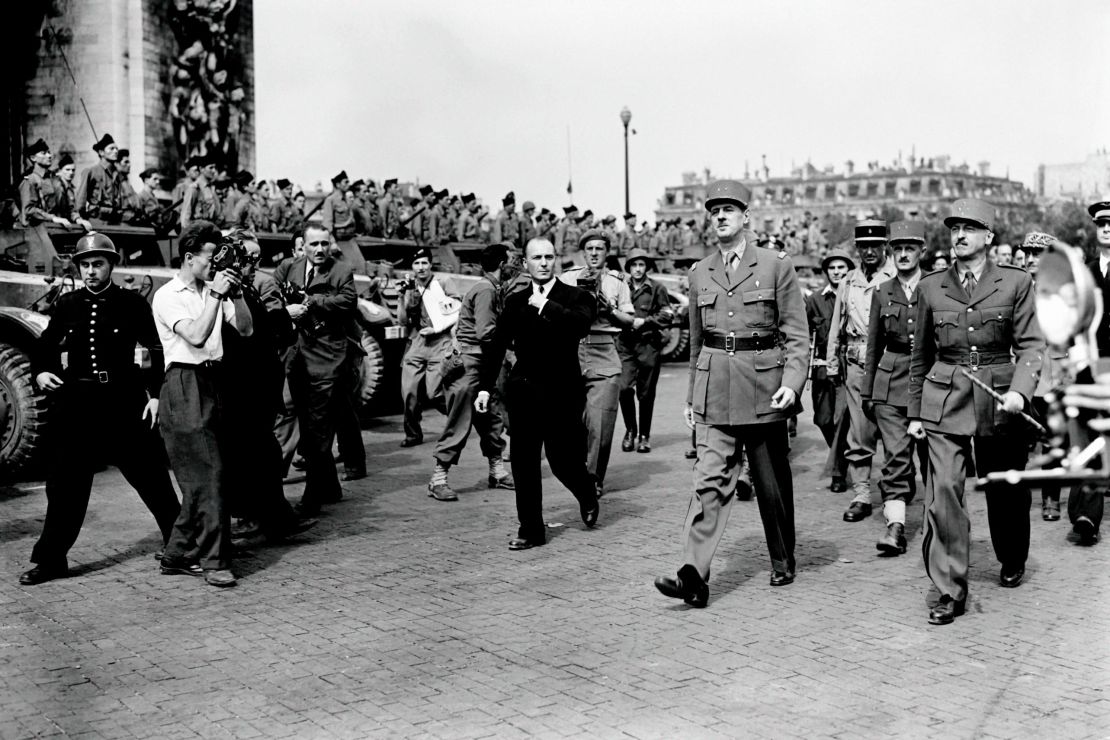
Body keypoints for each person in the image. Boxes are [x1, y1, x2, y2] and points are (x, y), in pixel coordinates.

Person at [654, 179, 809, 608]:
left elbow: (797, 336)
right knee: (708, 482)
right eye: (714, 211)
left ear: (745, 217)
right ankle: (693, 575)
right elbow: (698, 338)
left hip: (763, 387)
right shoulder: (699, 272)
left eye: (728, 210)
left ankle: (782, 557)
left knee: (771, 483)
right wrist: (691, 396)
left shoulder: (776, 265)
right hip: (714, 390)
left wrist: (792, 386)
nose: (720, 217)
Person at [907, 198, 1043, 625]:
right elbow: (920, 357)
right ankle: (949, 588)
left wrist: (1021, 391)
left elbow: (1032, 347)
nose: (959, 236)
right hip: (945, 400)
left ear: (989, 237)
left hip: (1001, 398)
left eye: (969, 228)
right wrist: (914, 412)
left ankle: (1012, 555)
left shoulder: (1015, 283)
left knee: (1004, 488)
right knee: (944, 490)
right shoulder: (931, 287)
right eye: (954, 229)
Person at [19, 233, 181, 585]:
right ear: (77, 268)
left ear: (111, 265)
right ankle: (51, 560)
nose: (91, 271)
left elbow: (156, 347)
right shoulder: (67, 304)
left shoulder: (132, 303)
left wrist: (154, 394)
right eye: (85, 265)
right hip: (77, 405)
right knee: (64, 486)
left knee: (152, 479)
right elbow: (45, 345)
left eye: (98, 264)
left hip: (123, 403)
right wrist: (42, 371)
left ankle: (182, 545)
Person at [475, 237, 599, 550]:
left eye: (548, 257)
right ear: (526, 263)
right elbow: (495, 346)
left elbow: (581, 325)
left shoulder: (575, 296)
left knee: (563, 462)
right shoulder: (515, 301)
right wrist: (484, 387)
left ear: (555, 259)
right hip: (525, 393)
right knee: (524, 462)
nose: (543, 263)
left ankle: (586, 491)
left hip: (562, 393)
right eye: (536, 258)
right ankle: (531, 529)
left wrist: (546, 305)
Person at [152, 220, 254, 588]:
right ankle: (214, 561)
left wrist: (236, 292)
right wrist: (215, 297)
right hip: (184, 382)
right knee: (210, 476)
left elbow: (245, 330)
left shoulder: (213, 289)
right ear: (189, 257)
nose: (216, 263)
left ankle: (177, 553)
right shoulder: (168, 295)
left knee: (206, 477)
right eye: (211, 257)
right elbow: (195, 336)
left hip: (213, 381)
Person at [220, 233, 317, 542]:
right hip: (242, 387)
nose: (254, 265)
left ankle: (274, 519)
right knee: (254, 456)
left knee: (265, 455)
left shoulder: (246, 288)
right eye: (248, 259)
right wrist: (284, 317)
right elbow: (248, 332)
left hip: (258, 385)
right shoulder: (228, 292)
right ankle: (262, 520)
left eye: (256, 259)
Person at [273, 224, 362, 515]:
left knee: (318, 428)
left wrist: (312, 302)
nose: (319, 250)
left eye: (324, 243)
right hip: (295, 355)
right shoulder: (289, 267)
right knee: (305, 421)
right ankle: (330, 487)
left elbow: (348, 302)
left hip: (327, 357)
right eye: (313, 244)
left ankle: (312, 497)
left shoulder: (341, 270)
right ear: (304, 244)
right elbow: (273, 294)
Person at [860, 221, 929, 556]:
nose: (902, 255)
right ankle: (896, 528)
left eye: (910, 249)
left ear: (921, 252)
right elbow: (873, 346)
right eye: (897, 249)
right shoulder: (882, 291)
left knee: (933, 457)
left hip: (931, 382)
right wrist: (867, 391)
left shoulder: (936, 286)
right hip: (889, 384)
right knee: (896, 457)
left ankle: (939, 520)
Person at [427, 243, 515, 500]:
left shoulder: (488, 287)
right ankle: (438, 478)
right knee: (460, 420)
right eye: (510, 260)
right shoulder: (487, 290)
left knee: (490, 418)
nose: (513, 265)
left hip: (481, 363)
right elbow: (486, 333)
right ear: (501, 264)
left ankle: (496, 472)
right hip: (471, 364)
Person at [827, 220, 897, 523]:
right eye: (863, 247)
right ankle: (862, 493)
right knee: (860, 432)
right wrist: (832, 362)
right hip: (856, 363)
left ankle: (896, 492)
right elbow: (836, 327)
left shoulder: (897, 276)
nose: (869, 251)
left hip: (891, 363)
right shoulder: (849, 281)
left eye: (875, 245)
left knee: (895, 432)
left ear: (885, 247)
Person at [560, 229, 635, 496]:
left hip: (604, 348)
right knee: (571, 420)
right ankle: (576, 469)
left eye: (599, 249)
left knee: (600, 421)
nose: (594, 253)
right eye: (589, 248)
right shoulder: (568, 278)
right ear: (583, 252)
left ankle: (593, 479)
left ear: (607, 252)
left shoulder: (617, 282)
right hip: (572, 350)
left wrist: (609, 310)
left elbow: (630, 321)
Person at [397, 248, 458, 447]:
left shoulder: (442, 283)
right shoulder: (411, 286)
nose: (421, 268)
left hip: (440, 340)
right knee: (409, 392)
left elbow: (456, 311)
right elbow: (403, 321)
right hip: (417, 342)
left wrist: (438, 329)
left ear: (431, 264)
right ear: (412, 267)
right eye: (417, 264)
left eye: (424, 263)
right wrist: (401, 297)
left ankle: (460, 417)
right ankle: (413, 434)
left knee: (435, 393)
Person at [805, 248, 853, 492]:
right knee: (823, 420)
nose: (836, 272)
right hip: (823, 370)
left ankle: (838, 473)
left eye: (841, 268)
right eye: (832, 268)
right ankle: (844, 456)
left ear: (849, 270)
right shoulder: (814, 300)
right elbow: (802, 335)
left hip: (849, 369)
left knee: (842, 422)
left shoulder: (857, 295)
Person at [617, 248, 670, 454]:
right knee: (623, 388)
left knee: (646, 394)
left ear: (646, 267)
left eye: (641, 265)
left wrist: (645, 322)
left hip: (648, 345)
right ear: (628, 267)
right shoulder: (621, 287)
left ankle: (644, 436)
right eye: (634, 265)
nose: (638, 269)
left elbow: (667, 315)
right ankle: (630, 430)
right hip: (625, 344)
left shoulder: (657, 288)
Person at [18, 139, 71, 228]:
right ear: (33, 158)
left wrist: (78, 219)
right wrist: (53, 218)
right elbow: (29, 209)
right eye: (44, 153)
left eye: (49, 152)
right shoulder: (30, 180)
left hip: (59, 227)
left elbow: (67, 206)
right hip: (38, 229)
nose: (49, 155)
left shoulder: (56, 179)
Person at [75, 133, 123, 224]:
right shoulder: (90, 172)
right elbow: (80, 200)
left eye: (116, 148)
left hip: (113, 221)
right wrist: (80, 219)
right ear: (101, 152)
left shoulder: (117, 175)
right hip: (96, 220)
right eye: (111, 148)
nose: (116, 151)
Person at [179, 156, 220, 229]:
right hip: (197, 230)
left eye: (215, 168)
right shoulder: (195, 188)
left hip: (209, 229)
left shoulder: (211, 188)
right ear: (201, 169)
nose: (214, 171)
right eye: (211, 168)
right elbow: (185, 215)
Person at [321, 171, 355, 242]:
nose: (348, 184)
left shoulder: (346, 199)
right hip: (338, 237)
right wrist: (331, 239)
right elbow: (327, 222)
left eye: (348, 182)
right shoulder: (330, 200)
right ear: (338, 184)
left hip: (349, 236)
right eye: (346, 182)